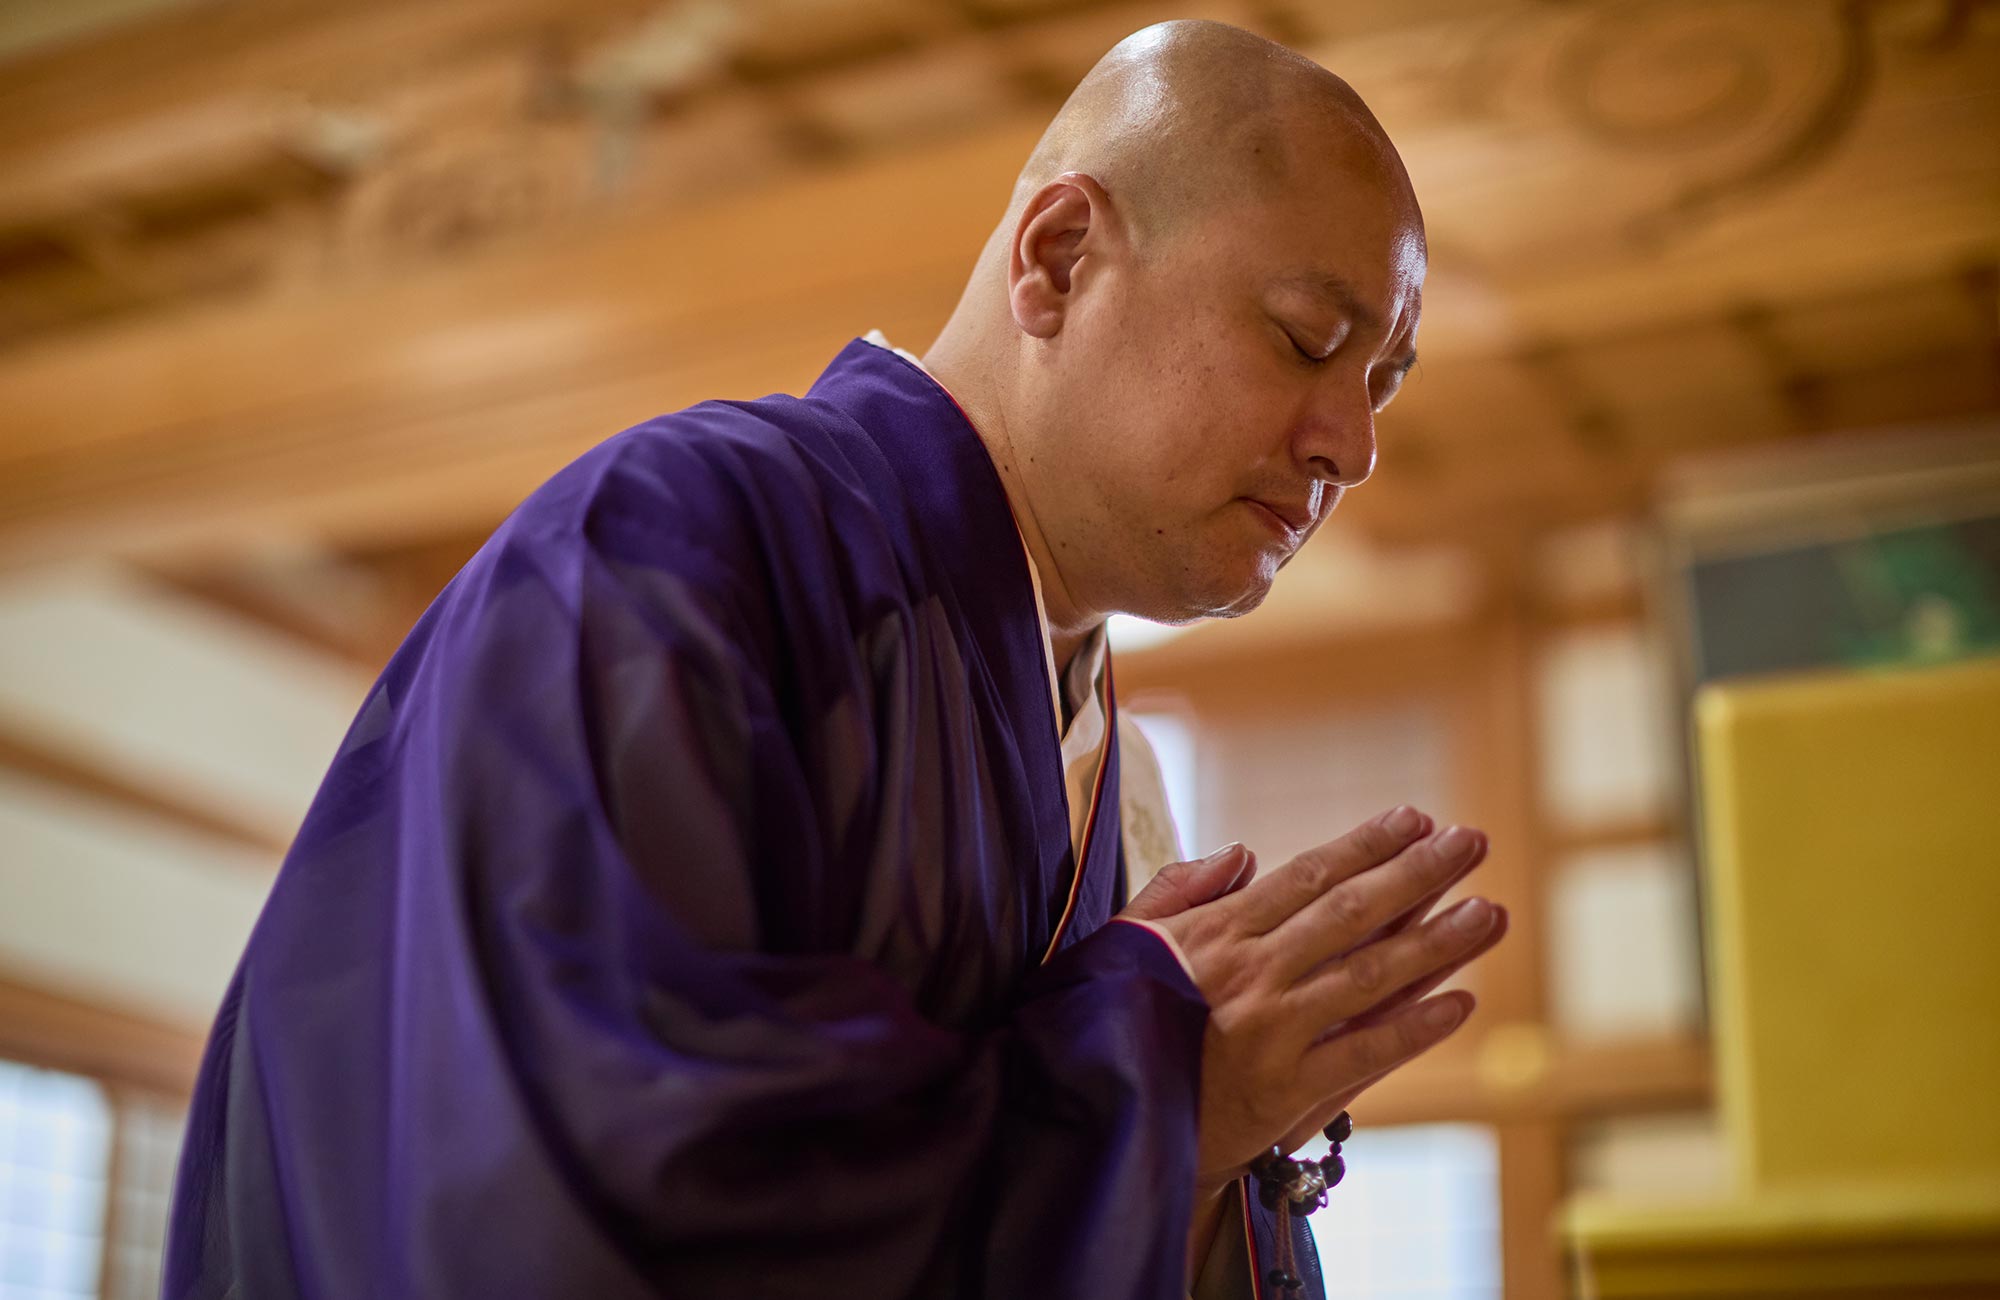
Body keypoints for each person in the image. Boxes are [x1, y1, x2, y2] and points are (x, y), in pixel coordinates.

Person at [163, 19, 1507, 1300]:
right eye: (1306, 339)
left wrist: (1223, 1160)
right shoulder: (673, 540)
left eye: (1381, 380)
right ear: (1058, 258)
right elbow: (597, 1173)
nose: (1353, 444)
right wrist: (1150, 1080)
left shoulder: (1116, 776)